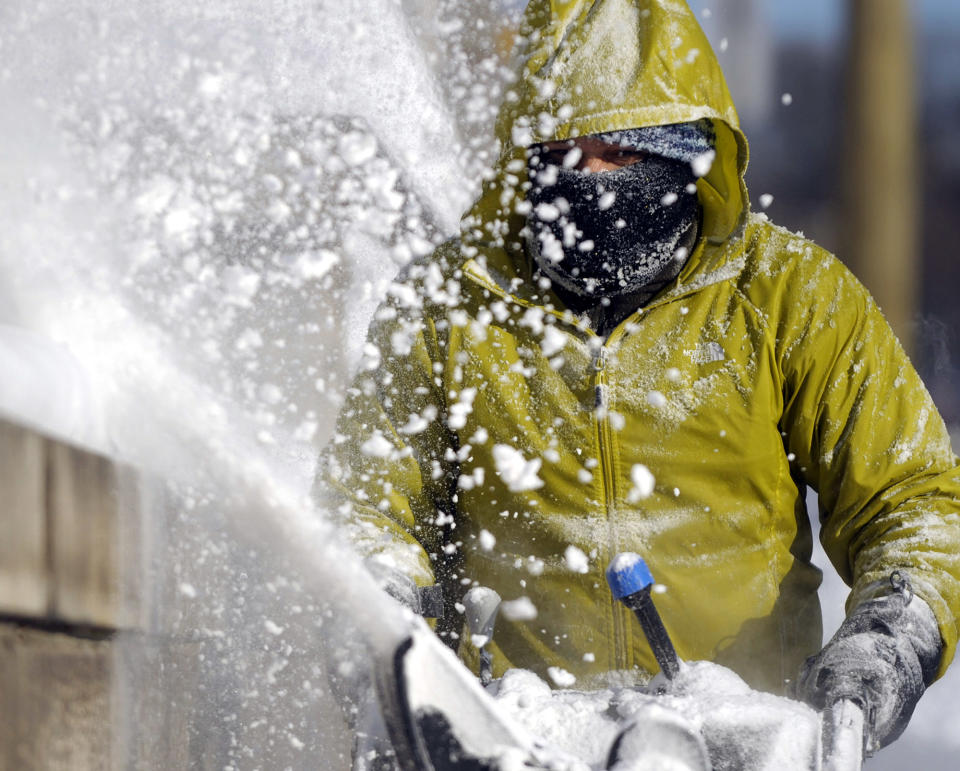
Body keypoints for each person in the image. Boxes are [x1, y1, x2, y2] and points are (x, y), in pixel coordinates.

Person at [318, 0, 960, 754]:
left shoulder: (790, 295)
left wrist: (886, 644)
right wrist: (379, 610)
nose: (589, 180)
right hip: (516, 733)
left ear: (687, 155)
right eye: (566, 154)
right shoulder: (449, 307)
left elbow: (911, 501)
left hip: (743, 733)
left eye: (619, 155)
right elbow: (370, 502)